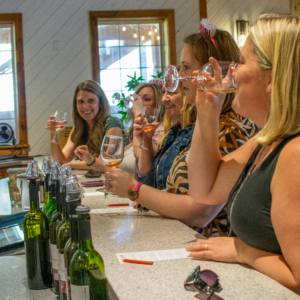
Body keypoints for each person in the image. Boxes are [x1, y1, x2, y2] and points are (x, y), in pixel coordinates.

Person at [103, 25, 258, 234]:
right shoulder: (206, 123)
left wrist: (134, 190)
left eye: (185, 67)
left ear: (212, 70)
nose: (178, 78)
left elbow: (201, 211)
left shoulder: (231, 128)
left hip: (209, 247)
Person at [185, 14, 300, 293]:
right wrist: (208, 112)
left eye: (242, 62)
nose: (231, 71)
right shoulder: (267, 140)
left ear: (272, 78)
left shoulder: (294, 153)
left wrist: (242, 250)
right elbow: (204, 190)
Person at [76, 82, 165, 176]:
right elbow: (111, 166)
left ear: (159, 104)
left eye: (146, 99)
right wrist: (89, 159)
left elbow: (139, 157)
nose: (138, 103)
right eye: (136, 99)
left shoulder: (160, 131)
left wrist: (138, 112)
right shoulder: (135, 135)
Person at [46, 80, 125, 169]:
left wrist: (71, 165)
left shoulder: (112, 123)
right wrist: (53, 133)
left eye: (91, 100)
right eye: (81, 101)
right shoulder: (78, 129)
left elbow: (107, 163)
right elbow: (60, 161)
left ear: (100, 103)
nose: (85, 106)